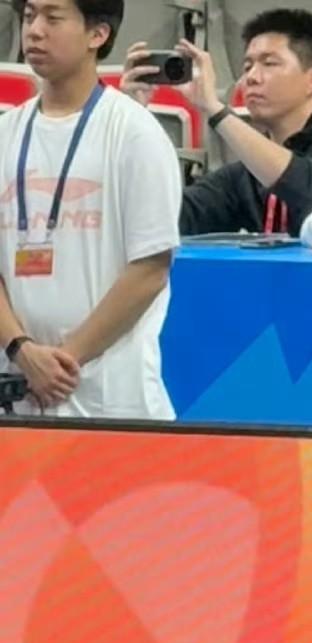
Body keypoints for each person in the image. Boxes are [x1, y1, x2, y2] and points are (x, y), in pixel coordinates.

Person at [0, 0, 181, 419]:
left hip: (109, 394)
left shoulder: (136, 133)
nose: (34, 30)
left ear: (97, 35)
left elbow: (150, 269)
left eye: (53, 18)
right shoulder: (5, 132)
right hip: (18, 387)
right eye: (29, 16)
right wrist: (21, 349)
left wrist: (63, 361)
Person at [122, 8, 312, 238]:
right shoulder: (244, 176)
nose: (251, 77)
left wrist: (215, 109)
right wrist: (131, 117)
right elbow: (164, 219)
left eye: (269, 63)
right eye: (247, 66)